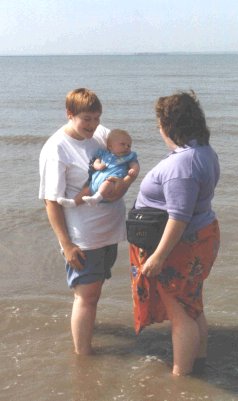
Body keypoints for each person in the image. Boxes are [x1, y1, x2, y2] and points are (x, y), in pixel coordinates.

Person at [129, 91, 220, 376]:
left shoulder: (183, 165)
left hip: (181, 246)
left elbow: (179, 218)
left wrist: (158, 256)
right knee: (192, 306)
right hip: (200, 236)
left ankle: (181, 377)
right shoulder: (203, 151)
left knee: (180, 314)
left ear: (169, 125)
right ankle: (200, 362)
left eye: (159, 122)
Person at [39, 88, 136, 355]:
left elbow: (123, 159)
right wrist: (67, 245)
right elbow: (51, 202)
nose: (92, 126)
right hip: (85, 238)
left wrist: (127, 180)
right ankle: (83, 358)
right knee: (87, 297)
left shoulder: (101, 135)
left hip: (110, 231)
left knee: (92, 292)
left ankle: (86, 332)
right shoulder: (57, 149)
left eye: (96, 118)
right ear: (70, 115)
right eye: (86, 119)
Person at [57, 129, 139, 208]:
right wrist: (98, 166)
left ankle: (97, 197)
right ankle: (73, 202)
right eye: (123, 144)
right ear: (110, 146)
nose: (126, 147)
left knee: (107, 183)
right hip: (95, 181)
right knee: (86, 190)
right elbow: (96, 161)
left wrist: (133, 170)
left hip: (112, 181)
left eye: (129, 145)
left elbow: (134, 164)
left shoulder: (128, 157)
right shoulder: (104, 154)